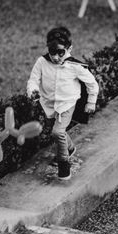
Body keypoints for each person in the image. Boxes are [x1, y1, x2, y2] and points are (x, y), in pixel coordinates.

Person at [27, 27, 99, 181]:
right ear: (48, 47)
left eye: (61, 52)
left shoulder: (75, 66)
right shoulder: (42, 62)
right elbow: (33, 80)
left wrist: (91, 102)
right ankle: (70, 148)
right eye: (53, 52)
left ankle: (64, 164)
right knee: (56, 130)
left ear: (69, 49)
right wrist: (32, 91)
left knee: (57, 132)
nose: (56, 57)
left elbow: (92, 83)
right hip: (48, 104)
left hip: (67, 104)